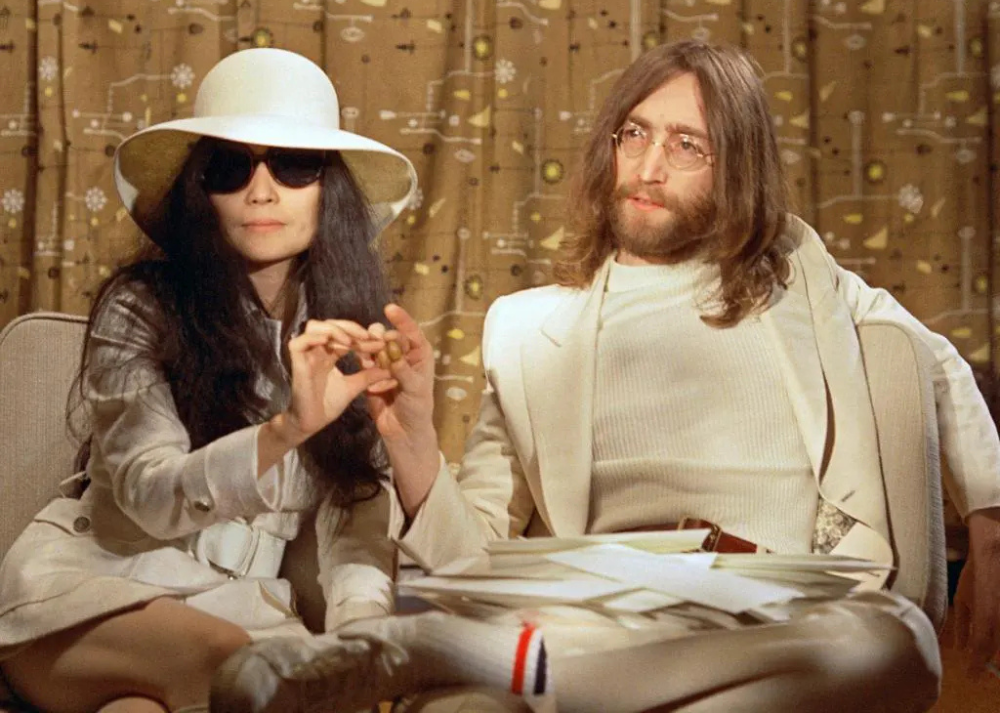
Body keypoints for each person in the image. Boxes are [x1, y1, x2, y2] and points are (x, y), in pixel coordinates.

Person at [211, 40, 1000, 712]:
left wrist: (993, 515)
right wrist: (412, 438)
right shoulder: (528, 329)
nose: (649, 167)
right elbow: (468, 556)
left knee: (896, 639)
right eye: (635, 134)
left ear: (738, 168)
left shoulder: (801, 271)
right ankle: (494, 658)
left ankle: (435, 654)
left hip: (775, 605)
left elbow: (931, 358)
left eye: (687, 146)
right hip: (601, 610)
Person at [0, 48, 555, 713]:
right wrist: (287, 430)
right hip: (89, 596)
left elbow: (356, 523)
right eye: (230, 168)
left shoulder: (355, 331)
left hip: (240, 614)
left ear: (330, 190)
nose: (261, 191)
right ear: (200, 191)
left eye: (293, 165)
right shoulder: (141, 306)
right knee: (242, 663)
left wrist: (359, 634)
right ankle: (416, 658)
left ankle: (378, 664)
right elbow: (148, 495)